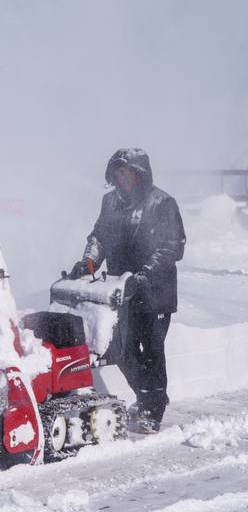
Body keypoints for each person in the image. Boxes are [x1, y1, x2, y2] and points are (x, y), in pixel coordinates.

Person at [68, 148, 185, 433]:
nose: (124, 178)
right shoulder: (110, 203)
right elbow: (100, 237)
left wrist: (143, 276)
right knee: (121, 350)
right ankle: (151, 395)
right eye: (119, 173)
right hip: (122, 293)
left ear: (140, 173)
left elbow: (172, 246)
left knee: (152, 352)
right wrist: (88, 263)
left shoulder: (162, 203)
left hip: (155, 293)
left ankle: (151, 413)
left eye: (128, 172)